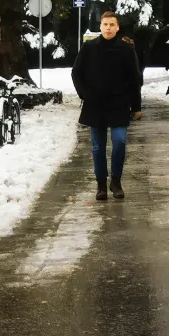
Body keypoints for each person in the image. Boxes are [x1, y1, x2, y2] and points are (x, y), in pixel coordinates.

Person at [71, 10, 143, 201]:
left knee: (119, 141)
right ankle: (101, 185)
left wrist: (136, 106)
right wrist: (85, 94)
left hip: (119, 103)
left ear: (117, 27)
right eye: (105, 25)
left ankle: (116, 181)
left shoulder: (126, 49)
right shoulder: (89, 47)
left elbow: (135, 79)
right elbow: (76, 73)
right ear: (100, 26)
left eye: (112, 25)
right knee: (98, 147)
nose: (108, 28)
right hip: (95, 103)